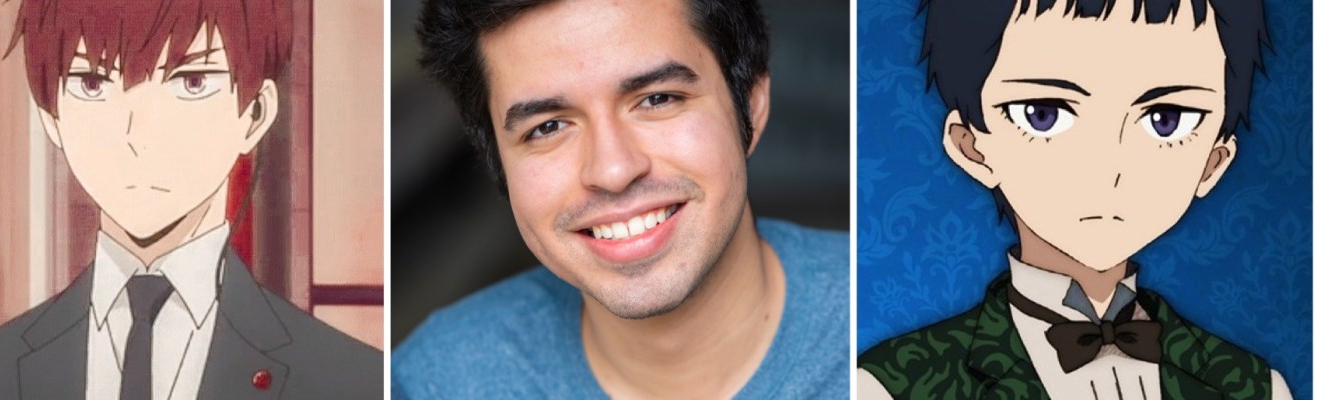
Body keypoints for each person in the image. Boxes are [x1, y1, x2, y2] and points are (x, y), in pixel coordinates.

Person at [393, 0, 850, 398]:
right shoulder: (435, 381)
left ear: (750, 105)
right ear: (497, 163)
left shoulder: (886, 329)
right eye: (548, 127)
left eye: (657, 99)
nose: (612, 172)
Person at [0, 1, 382, 398]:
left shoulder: (355, 382)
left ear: (255, 113)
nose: (137, 132)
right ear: (51, 116)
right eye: (93, 84)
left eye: (191, 82)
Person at [856, 0, 1292, 398]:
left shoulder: (1254, 387)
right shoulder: (891, 385)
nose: (1109, 167)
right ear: (972, 146)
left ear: (1212, 162)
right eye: (1044, 115)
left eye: (1166, 120)